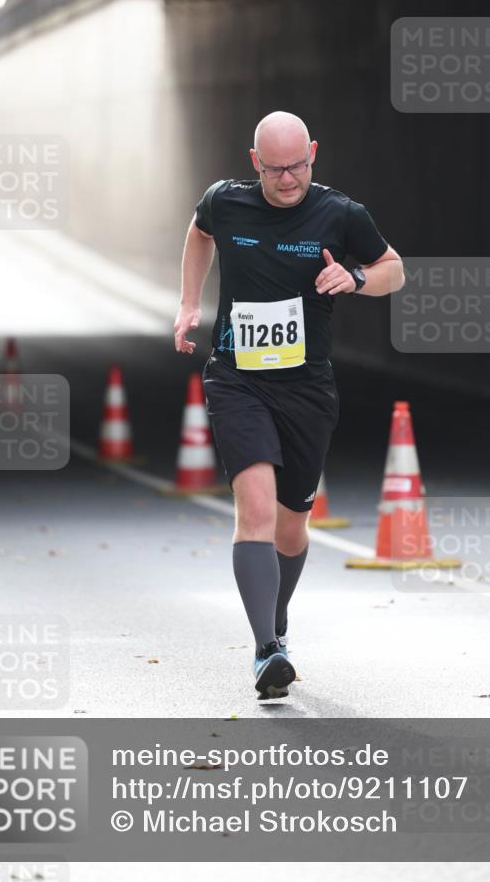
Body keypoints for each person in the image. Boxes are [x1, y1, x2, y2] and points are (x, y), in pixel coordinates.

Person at [173, 112, 404, 699]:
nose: (287, 179)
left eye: (297, 166)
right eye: (274, 169)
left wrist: (355, 279)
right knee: (254, 509)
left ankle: (275, 623)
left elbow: (394, 271)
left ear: (313, 155)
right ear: (255, 162)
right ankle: (265, 650)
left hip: (306, 388)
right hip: (237, 380)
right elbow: (199, 232)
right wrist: (189, 303)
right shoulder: (225, 201)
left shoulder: (341, 213)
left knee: (292, 528)